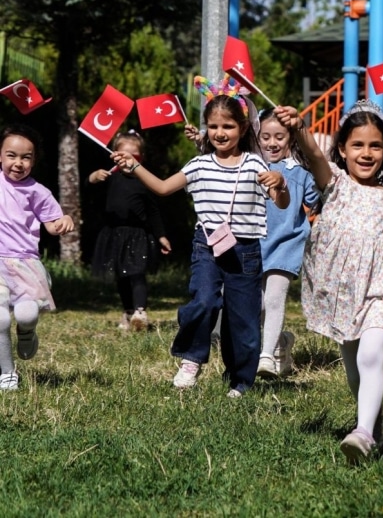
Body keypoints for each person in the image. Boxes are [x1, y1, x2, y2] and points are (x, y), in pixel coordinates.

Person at [272, 100, 383, 464]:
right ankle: (374, 427)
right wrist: (299, 127)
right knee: (355, 369)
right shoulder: (335, 183)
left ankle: (361, 434)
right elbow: (312, 154)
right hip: (343, 294)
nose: (367, 153)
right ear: (342, 150)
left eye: (376, 145)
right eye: (357, 145)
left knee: (371, 353)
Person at [113, 91, 289, 397]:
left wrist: (281, 184)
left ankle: (240, 380)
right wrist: (134, 166)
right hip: (206, 246)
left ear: (243, 129)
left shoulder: (254, 165)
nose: (220, 133)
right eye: (214, 126)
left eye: (228, 126)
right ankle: (192, 358)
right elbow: (165, 188)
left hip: (245, 251)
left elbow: (282, 203)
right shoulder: (199, 165)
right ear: (206, 128)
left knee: (243, 319)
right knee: (204, 301)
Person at [0, 124, 75, 391]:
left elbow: (53, 225)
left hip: (24, 262)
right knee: (0, 319)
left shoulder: (38, 192)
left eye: (25, 157)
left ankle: (27, 331)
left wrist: (64, 220)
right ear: (0, 155)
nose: (18, 163)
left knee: (27, 314)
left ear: (34, 160)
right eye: (11, 155)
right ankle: (7, 373)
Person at [254, 109, 320, 379]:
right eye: (265, 136)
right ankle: (281, 342)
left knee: (273, 298)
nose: (272, 142)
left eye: (279, 137)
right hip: (254, 244)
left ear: (290, 138)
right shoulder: (251, 166)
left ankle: (266, 356)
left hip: (288, 243)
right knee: (255, 305)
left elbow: (318, 196)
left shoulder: (301, 173)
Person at [89, 131, 171, 332]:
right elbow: (88, 189)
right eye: (123, 155)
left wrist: (161, 235)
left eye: (135, 156)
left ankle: (140, 311)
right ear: (114, 155)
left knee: (137, 273)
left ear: (141, 158)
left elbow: (153, 211)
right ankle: (127, 311)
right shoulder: (109, 177)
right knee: (122, 276)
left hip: (138, 235)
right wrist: (94, 177)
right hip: (115, 235)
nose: (128, 160)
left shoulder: (145, 181)